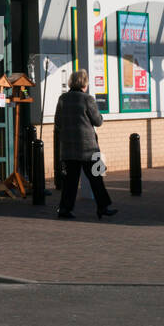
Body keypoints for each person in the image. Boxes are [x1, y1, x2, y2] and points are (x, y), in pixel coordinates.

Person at [53, 69, 116, 219]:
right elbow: (98, 121)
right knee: (96, 177)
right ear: (84, 83)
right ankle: (103, 207)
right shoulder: (88, 99)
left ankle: (65, 209)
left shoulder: (63, 99)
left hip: (68, 147)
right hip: (89, 148)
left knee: (70, 181)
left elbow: (58, 122)